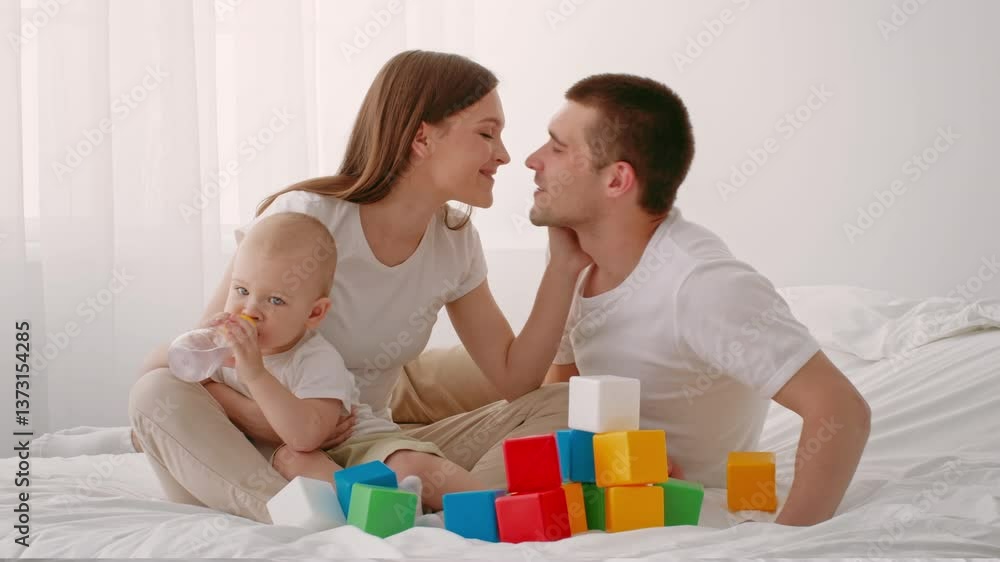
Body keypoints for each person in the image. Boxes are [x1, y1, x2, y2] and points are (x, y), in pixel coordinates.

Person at [128, 50, 591, 523]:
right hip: (254, 450)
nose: (504, 155)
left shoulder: (455, 240)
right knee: (155, 393)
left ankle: (447, 504)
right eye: (487, 133)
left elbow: (516, 380)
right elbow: (207, 354)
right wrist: (274, 424)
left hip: (369, 447)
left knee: (564, 405)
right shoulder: (306, 218)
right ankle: (302, 511)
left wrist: (562, 268)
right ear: (422, 138)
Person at [531, 73, 872, 526]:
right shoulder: (573, 258)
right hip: (612, 486)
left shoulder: (703, 284)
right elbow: (562, 393)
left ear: (616, 180)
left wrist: (789, 544)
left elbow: (841, 409)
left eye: (557, 148)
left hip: (683, 503)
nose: (533, 160)